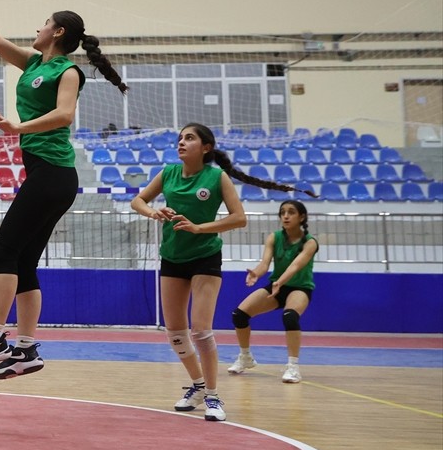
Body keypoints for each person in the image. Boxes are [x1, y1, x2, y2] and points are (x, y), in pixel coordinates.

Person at [0, 0, 127, 379]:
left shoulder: (68, 71)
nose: (38, 27)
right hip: (45, 175)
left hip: (54, 174)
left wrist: (18, 126)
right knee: (24, 263)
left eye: (44, 23)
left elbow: (64, 115)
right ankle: (26, 350)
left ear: (57, 31)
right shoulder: (33, 63)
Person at [130, 123, 309, 421]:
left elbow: (239, 218)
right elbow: (137, 200)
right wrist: (153, 212)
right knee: (174, 332)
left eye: (189, 138)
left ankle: (213, 396)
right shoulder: (168, 172)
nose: (182, 143)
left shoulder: (216, 177)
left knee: (200, 329)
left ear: (206, 147)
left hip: (205, 257)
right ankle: (197, 385)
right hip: (172, 256)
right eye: (180, 139)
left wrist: (201, 228)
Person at [228, 199, 318, 384]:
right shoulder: (274, 237)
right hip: (277, 285)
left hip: (299, 288)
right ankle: (245, 357)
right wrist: (256, 273)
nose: (285, 215)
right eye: (282, 212)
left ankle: (293, 367)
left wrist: (280, 282)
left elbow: (295, 266)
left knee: (290, 317)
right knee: (239, 315)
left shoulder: (310, 243)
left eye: (291, 212)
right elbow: (264, 264)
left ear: (302, 217)